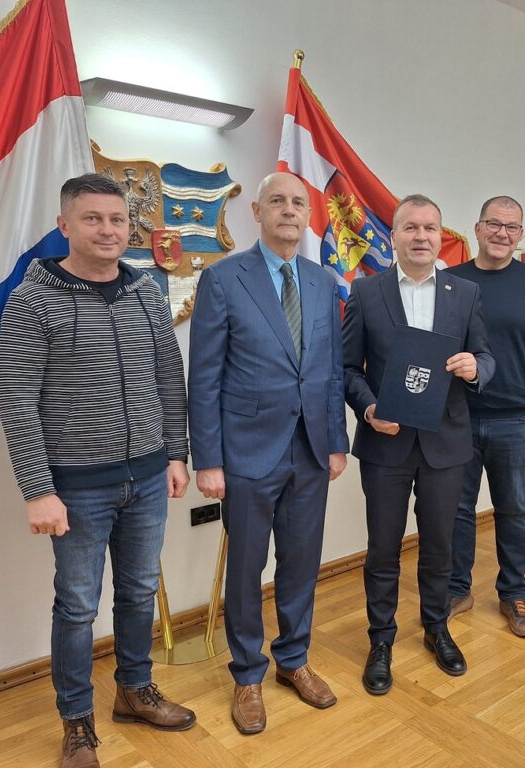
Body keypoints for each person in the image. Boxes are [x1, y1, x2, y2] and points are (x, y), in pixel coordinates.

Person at [0, 173, 195, 768]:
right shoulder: (32, 300)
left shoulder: (147, 293)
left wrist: (176, 453)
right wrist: (38, 490)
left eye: (117, 219)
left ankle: (134, 690)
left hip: (148, 478)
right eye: (93, 219)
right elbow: (16, 398)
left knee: (139, 591)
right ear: (65, 225)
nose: (108, 230)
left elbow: (169, 378)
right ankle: (77, 722)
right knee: (79, 606)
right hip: (77, 487)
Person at [188, 172, 348, 735]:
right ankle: (248, 674)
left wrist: (336, 442)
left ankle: (294, 660)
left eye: (298, 202)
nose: (289, 210)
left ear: (309, 214)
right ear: (256, 211)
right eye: (276, 201)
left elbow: (330, 372)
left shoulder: (323, 281)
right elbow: (204, 376)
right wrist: (208, 459)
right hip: (247, 453)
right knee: (246, 569)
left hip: (310, 451)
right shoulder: (224, 278)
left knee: (301, 562)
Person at [343, 194, 494, 694]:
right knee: (383, 549)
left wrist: (475, 368)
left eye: (430, 228)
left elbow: (486, 357)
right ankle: (380, 639)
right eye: (411, 227)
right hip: (384, 444)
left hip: (445, 443)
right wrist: (369, 409)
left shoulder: (464, 293)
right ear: (394, 235)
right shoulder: (366, 292)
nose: (422, 236)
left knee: (439, 545)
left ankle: (436, 627)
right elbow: (348, 369)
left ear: (440, 235)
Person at [445, 196, 525, 637]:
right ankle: (456, 588)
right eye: (494, 224)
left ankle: (513, 591)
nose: (502, 233)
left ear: (520, 235)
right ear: (477, 229)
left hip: (516, 418)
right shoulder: (450, 282)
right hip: (457, 416)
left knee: (514, 508)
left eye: (512, 227)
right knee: (456, 510)